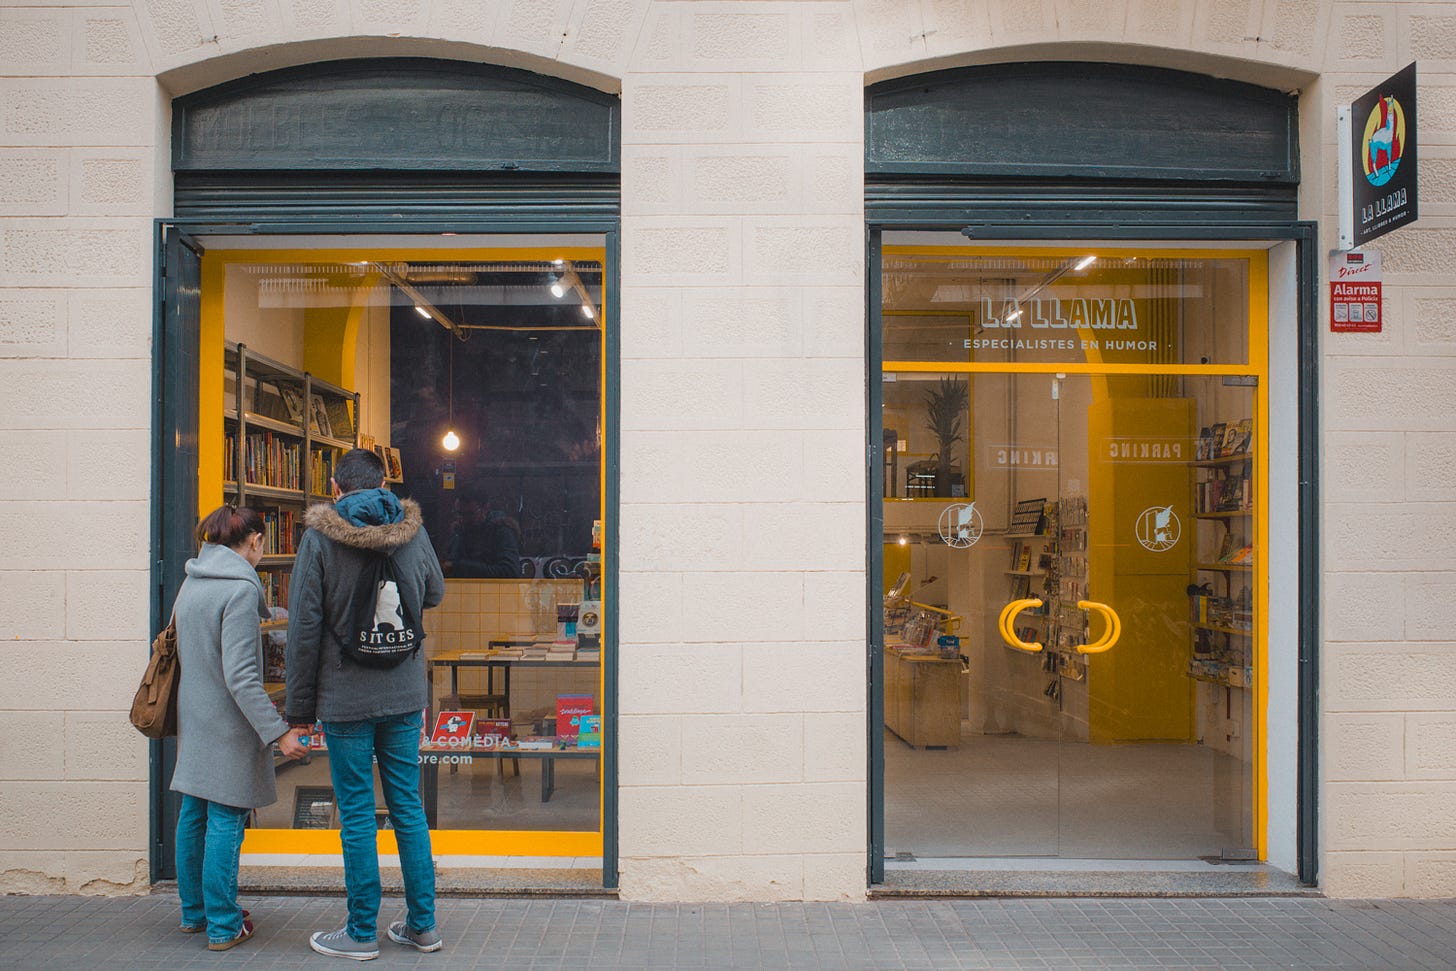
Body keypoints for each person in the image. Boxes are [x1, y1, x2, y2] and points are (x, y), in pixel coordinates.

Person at [285, 448, 446, 961]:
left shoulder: (319, 539)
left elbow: (304, 627)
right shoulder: (412, 531)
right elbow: (435, 592)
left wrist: (298, 713)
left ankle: (360, 933)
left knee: (356, 813)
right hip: (404, 691)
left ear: (335, 488)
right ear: (384, 485)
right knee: (408, 808)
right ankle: (423, 926)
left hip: (344, 696)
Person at [170, 505, 310, 951]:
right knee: (228, 818)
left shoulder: (192, 580)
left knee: (194, 814)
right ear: (254, 541)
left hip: (195, 714)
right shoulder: (240, 591)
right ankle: (224, 924)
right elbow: (242, 677)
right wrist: (278, 732)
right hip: (230, 722)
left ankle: (196, 912)